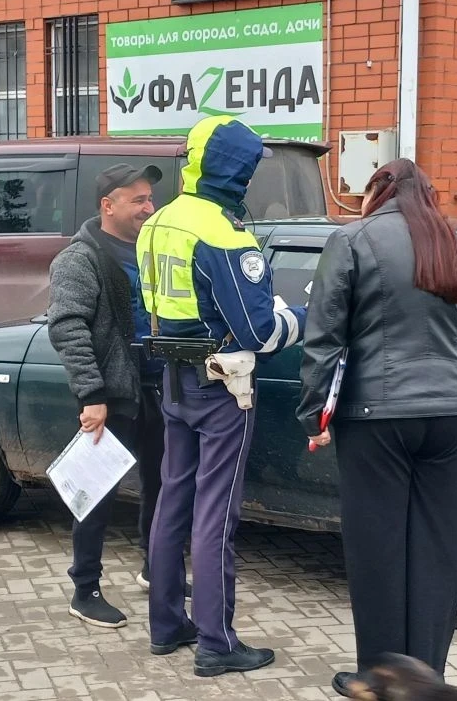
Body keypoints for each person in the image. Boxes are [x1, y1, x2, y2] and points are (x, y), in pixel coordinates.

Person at [296, 158, 457, 697]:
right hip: (450, 411)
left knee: (378, 550)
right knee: (437, 550)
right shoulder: (449, 240)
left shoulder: (352, 240)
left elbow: (324, 334)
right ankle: (426, 679)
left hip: (379, 414)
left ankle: (379, 680)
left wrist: (315, 414)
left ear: (378, 190)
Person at [136, 115, 306, 676]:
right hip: (221, 387)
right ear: (237, 170)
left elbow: (148, 307)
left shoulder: (158, 222)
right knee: (216, 514)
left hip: (173, 379)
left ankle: (167, 626)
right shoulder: (225, 235)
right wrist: (303, 317)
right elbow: (258, 332)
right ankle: (217, 643)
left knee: (171, 501)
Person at [47, 162, 184, 628]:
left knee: (161, 485)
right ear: (108, 206)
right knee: (97, 493)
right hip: (110, 395)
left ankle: (155, 568)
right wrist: (92, 394)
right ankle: (84, 589)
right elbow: (68, 328)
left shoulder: (152, 249)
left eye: (150, 198)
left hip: (159, 388)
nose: (149, 207)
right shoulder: (79, 259)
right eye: (138, 200)